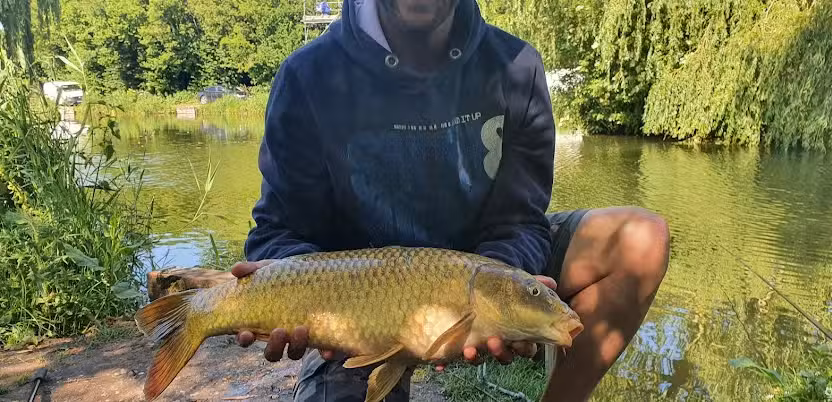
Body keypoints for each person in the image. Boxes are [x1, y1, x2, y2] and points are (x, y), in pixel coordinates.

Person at [230, 0, 671, 400]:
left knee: (640, 239)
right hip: (360, 293)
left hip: (479, 268)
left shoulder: (516, 66)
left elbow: (518, 220)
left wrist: (494, 304)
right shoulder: (309, 75)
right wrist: (287, 289)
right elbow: (281, 230)